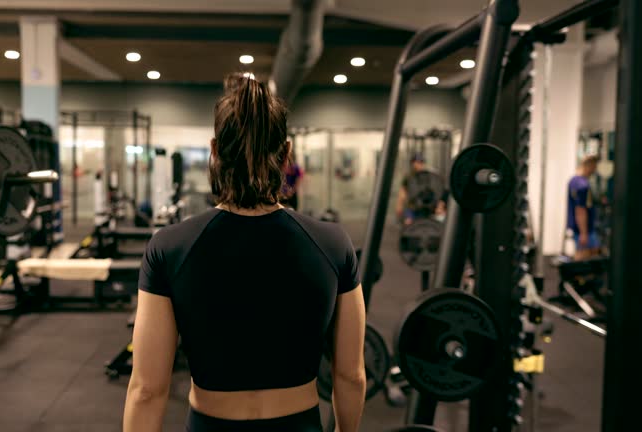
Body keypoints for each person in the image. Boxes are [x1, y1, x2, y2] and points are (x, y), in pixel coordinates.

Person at [124, 74, 366, 432]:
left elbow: (147, 389)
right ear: (286, 154)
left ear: (215, 151)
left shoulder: (170, 247)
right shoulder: (333, 244)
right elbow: (350, 376)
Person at [395, 153, 446, 225]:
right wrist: (399, 205)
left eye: (420, 162)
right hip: (413, 208)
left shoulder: (431, 176)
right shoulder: (409, 177)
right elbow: (402, 193)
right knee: (408, 223)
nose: (418, 165)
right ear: (412, 164)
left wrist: (440, 206)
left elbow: (439, 192)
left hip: (430, 208)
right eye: (416, 162)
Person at [567, 154, 601, 260]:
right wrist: (584, 233)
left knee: (590, 252)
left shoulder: (573, 181)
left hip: (578, 227)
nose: (595, 171)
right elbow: (580, 210)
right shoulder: (583, 185)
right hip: (585, 229)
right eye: (594, 167)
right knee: (585, 257)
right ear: (589, 166)